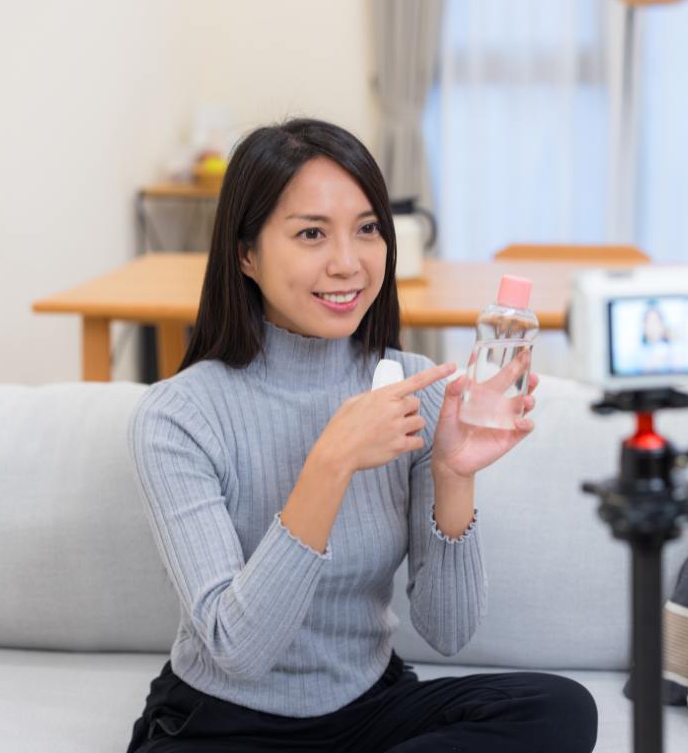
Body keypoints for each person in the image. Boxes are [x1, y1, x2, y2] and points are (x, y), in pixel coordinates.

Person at [125, 118, 598, 752]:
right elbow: (239, 650)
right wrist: (331, 461)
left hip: (369, 710)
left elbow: (448, 632)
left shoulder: (415, 389)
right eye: (311, 234)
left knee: (559, 709)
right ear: (246, 254)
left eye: (368, 229)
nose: (347, 264)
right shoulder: (179, 416)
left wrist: (455, 477)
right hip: (224, 719)